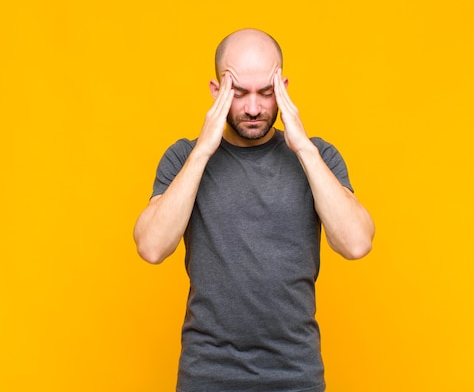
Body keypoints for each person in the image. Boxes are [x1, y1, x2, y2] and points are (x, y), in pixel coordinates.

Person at [133, 28, 375, 392]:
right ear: (216, 92)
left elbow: (356, 243)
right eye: (238, 92)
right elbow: (151, 247)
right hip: (207, 375)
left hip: (296, 375)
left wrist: (303, 148)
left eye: (266, 92)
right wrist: (203, 150)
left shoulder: (318, 157)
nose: (253, 108)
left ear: (284, 89)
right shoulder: (184, 158)